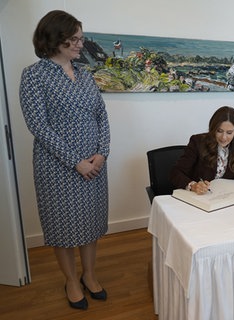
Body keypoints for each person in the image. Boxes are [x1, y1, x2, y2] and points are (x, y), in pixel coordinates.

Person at [19, 10, 110, 310]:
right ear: (54, 38)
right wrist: (76, 162)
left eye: (81, 39)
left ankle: (90, 274)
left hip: (94, 166)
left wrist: (102, 153)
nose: (79, 45)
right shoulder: (34, 75)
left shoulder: (85, 75)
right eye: (73, 39)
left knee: (91, 221)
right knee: (63, 226)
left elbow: (101, 115)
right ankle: (71, 280)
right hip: (56, 168)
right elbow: (38, 126)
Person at [170, 106, 234, 194]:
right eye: (219, 131)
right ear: (213, 128)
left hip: (225, 198)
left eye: (229, 132)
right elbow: (175, 173)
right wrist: (193, 185)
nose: (223, 137)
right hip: (198, 196)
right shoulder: (198, 142)